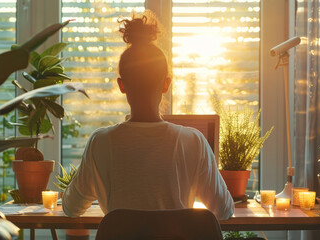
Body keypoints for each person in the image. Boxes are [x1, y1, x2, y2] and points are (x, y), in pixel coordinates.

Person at [62, 12, 234, 221]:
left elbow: (71, 208)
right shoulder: (193, 142)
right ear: (166, 84)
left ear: (121, 85)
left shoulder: (100, 142)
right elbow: (224, 211)